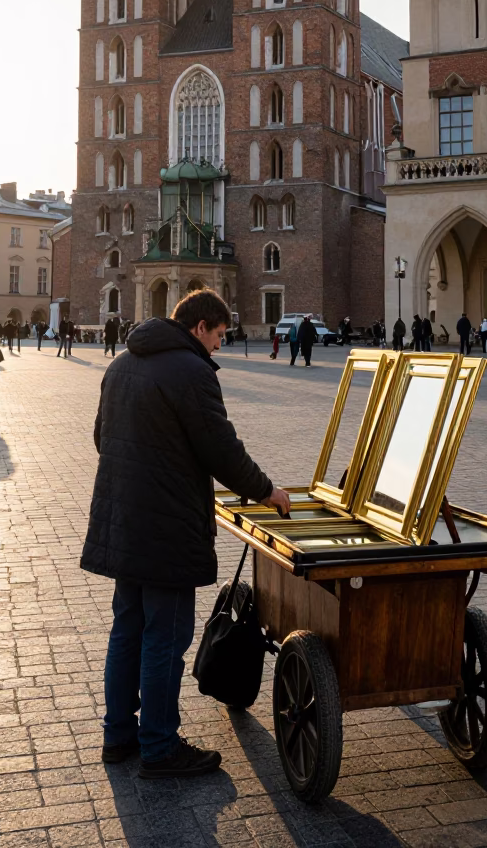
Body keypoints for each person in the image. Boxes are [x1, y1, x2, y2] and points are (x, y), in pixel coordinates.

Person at [80, 288, 290, 780]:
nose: (220, 344)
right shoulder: (191, 372)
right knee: (166, 636)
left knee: (127, 628)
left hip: (124, 519)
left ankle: (118, 735)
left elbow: (100, 437)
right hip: (167, 526)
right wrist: (266, 490)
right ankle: (159, 746)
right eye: (219, 335)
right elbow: (221, 450)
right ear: (200, 327)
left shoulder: (121, 365)